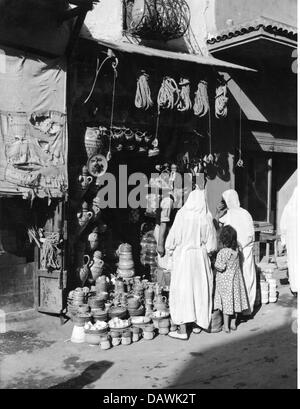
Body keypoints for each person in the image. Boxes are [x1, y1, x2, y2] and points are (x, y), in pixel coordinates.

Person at [165, 189, 217, 340]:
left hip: (183, 258)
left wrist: (169, 250)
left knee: (183, 291)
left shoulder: (182, 214)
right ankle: (197, 324)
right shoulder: (205, 216)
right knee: (198, 291)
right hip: (199, 258)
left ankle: (182, 330)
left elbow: (172, 238)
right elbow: (211, 244)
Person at [216, 189, 256, 316]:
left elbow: (217, 224)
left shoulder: (234, 214)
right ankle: (246, 310)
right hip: (242, 251)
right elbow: (250, 234)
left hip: (237, 252)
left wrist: (218, 212)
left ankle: (239, 311)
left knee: (239, 280)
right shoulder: (244, 213)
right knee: (246, 278)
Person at [214, 225, 249, 333]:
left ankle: (226, 326)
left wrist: (213, 264)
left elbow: (220, 267)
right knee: (236, 302)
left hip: (226, 283)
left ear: (222, 239)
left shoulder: (222, 252)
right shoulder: (237, 251)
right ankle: (233, 323)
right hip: (236, 281)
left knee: (227, 304)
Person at [280, 187, 298, 296]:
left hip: (292, 243)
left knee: (293, 263)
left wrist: (284, 241)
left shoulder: (288, 208)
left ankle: (295, 287)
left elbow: (283, 226)